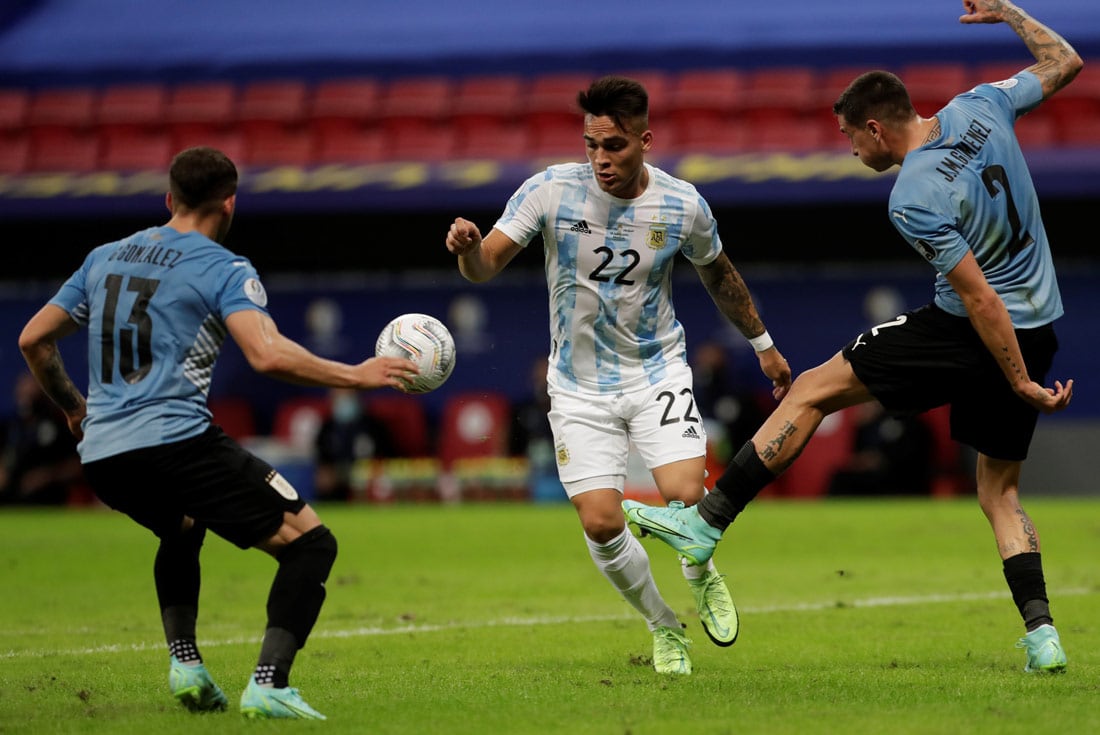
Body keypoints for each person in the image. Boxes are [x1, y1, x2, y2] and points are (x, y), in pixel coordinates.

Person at [624, 0, 1079, 674]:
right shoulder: (983, 103)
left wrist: (1014, 379)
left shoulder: (912, 196)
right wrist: (1011, 11)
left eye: (849, 137)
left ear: (874, 127)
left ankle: (705, 523)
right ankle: (1043, 637)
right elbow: (1064, 61)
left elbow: (980, 296)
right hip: (1039, 325)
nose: (851, 149)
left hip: (972, 329)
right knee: (999, 492)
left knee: (809, 390)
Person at [18, 146, 418, 718]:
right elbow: (267, 354)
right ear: (229, 204)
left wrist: (76, 408)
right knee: (311, 544)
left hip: (104, 457)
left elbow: (33, 339)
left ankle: (187, 665)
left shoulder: (103, 257)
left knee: (182, 527)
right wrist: (356, 374)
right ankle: (269, 683)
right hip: (175, 442)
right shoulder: (222, 267)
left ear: (169, 199)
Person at [445, 76, 791, 674]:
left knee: (686, 495)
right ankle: (665, 626)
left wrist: (762, 344)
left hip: (655, 371)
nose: (601, 160)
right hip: (578, 386)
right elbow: (486, 266)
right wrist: (468, 249)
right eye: (592, 145)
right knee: (602, 521)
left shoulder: (683, 205)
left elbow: (720, 276)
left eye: (615, 147)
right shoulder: (550, 191)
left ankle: (700, 568)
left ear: (645, 140)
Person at [0, 371, 84, 505]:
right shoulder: (11, 426)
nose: (26, 398)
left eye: (31, 392)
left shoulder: (59, 426)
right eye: (23, 392)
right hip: (11, 500)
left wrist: (47, 476)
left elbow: (77, 464)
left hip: (49, 499)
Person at [314, 387, 396, 501]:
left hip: (368, 482)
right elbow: (322, 464)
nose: (342, 400)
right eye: (338, 396)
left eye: (347, 395)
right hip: (337, 484)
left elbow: (388, 459)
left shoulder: (374, 426)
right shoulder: (327, 428)